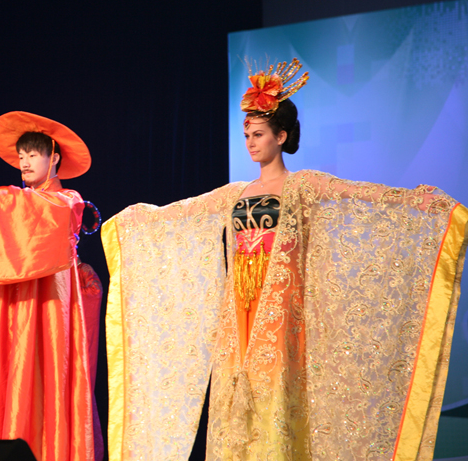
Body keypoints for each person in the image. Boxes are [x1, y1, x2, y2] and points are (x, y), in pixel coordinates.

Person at [102, 59, 467, 461]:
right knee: (235, 391)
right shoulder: (235, 192)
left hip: (279, 307)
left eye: (258, 134)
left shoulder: (302, 185)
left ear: (281, 135)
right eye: (246, 135)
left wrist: (415, 200)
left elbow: (357, 194)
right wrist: (136, 220)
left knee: (275, 393)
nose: (250, 143)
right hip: (238, 307)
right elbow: (182, 212)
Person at [0, 111, 98, 461]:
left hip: (52, 297)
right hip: (15, 295)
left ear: (54, 158)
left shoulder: (68, 199)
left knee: (51, 368)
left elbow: (36, 209)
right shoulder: (18, 201)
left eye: (33, 155)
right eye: (21, 157)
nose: (25, 163)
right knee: (12, 370)